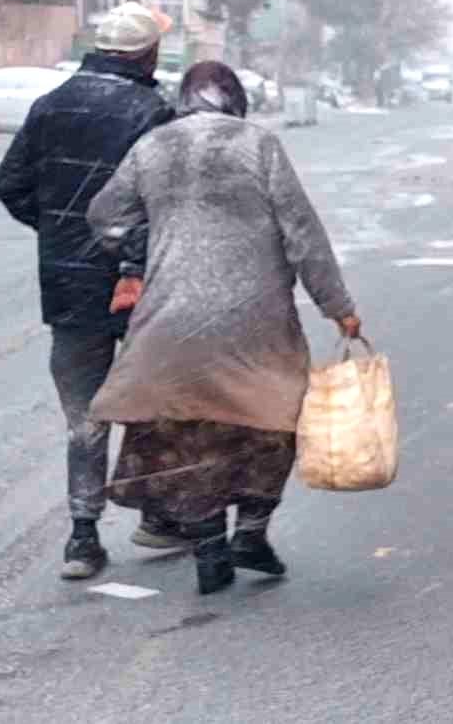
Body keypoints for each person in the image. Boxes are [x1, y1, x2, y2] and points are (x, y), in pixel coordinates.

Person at [85, 61, 362, 595]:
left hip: (170, 317)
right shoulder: (258, 146)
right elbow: (301, 232)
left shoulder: (152, 147)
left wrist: (144, 246)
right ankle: (251, 532)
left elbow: (104, 215)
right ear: (236, 100)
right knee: (271, 421)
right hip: (255, 318)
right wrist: (338, 306)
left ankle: (210, 545)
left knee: (189, 432)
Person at [0, 2, 179, 580]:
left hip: (69, 285)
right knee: (152, 401)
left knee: (84, 415)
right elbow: (163, 203)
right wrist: (133, 254)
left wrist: (57, 229)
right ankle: (157, 515)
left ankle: (82, 536)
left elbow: (11, 185)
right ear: (147, 54)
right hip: (139, 284)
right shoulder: (151, 112)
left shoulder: (48, 107)